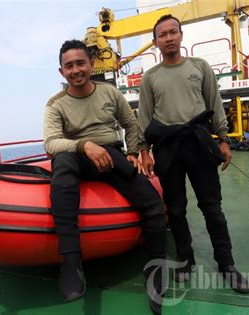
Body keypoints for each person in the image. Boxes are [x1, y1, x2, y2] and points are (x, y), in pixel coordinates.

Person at [44, 39, 167, 314]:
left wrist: (134, 150)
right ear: (61, 71)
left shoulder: (110, 93)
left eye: (80, 63)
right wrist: (84, 145)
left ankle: (156, 267)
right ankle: (72, 261)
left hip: (110, 155)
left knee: (152, 203)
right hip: (77, 156)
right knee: (62, 164)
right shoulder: (56, 104)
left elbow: (130, 123)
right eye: (69, 66)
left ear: (90, 64)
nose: (76, 70)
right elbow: (51, 142)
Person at [138, 15, 249, 293]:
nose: (168, 38)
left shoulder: (200, 67)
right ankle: (185, 259)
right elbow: (144, 117)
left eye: (173, 32)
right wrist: (144, 151)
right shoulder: (150, 77)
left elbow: (214, 103)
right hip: (167, 146)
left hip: (199, 143)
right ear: (156, 42)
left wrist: (223, 139)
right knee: (175, 209)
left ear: (180, 35)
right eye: (162, 35)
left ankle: (227, 263)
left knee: (212, 207)